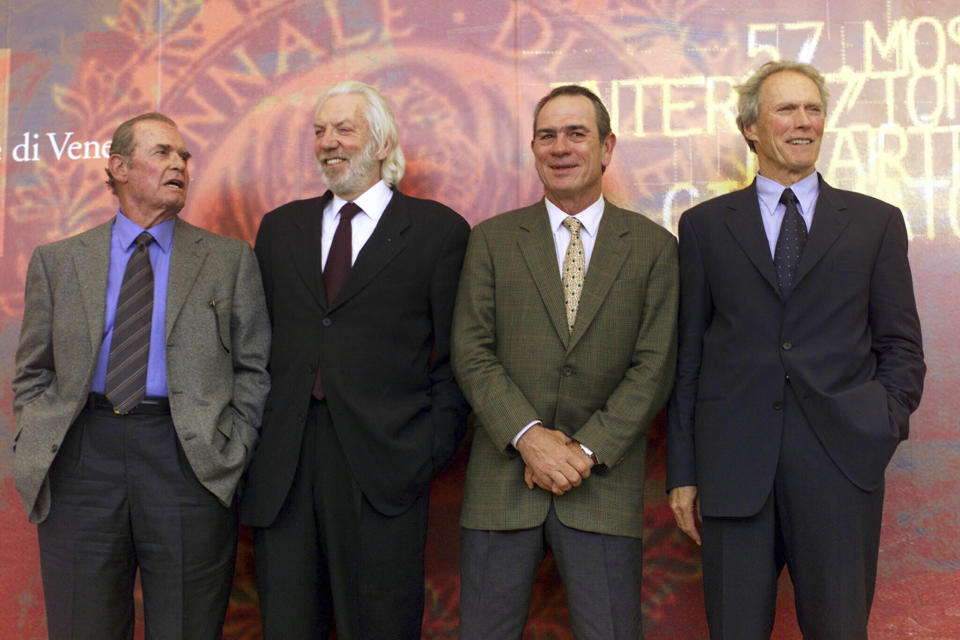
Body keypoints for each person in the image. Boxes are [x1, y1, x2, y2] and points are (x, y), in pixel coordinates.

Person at [666, 60, 926, 639]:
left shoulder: (875, 223)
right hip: (734, 472)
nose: (803, 122)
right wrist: (683, 472)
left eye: (813, 109)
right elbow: (689, 358)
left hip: (840, 465)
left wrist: (879, 423)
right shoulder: (704, 227)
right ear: (752, 128)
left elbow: (901, 346)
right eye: (786, 109)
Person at [11, 112, 271, 640]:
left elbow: (254, 369)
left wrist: (231, 447)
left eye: (184, 156)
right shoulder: (58, 262)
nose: (178, 164)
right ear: (119, 167)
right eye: (162, 153)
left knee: (187, 626)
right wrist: (41, 437)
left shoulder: (228, 260)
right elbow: (31, 371)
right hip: (82, 456)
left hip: (187, 459)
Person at [240, 80, 470, 640]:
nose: (328, 142)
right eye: (319, 130)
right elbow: (252, 347)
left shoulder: (439, 232)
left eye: (345, 128)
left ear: (384, 143)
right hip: (285, 466)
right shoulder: (279, 229)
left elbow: (458, 358)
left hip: (384, 466)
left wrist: (423, 451)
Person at [452, 84, 678, 639]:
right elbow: (471, 351)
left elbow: (655, 367)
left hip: (601, 485)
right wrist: (531, 438)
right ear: (533, 149)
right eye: (547, 136)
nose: (561, 147)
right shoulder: (491, 241)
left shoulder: (654, 248)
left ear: (606, 147)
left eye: (576, 133)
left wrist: (582, 451)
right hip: (503, 487)